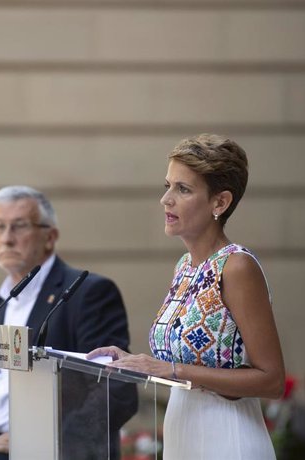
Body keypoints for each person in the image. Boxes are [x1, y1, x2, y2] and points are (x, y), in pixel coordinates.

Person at [89, 134, 286, 460]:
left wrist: (171, 369)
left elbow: (272, 380)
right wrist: (134, 362)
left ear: (219, 203)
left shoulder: (236, 266)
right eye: (167, 185)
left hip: (227, 439)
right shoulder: (185, 266)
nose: (166, 199)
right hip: (183, 436)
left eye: (183, 189)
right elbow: (181, 363)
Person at [0, 185, 137, 460]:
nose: (6, 239)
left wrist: (36, 438)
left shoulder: (87, 294)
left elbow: (116, 392)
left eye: (19, 227)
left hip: (48, 449)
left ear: (50, 237)